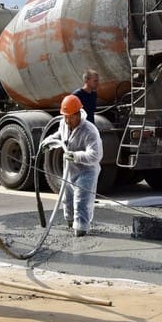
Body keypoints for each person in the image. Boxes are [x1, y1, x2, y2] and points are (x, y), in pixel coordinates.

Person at [44, 94, 102, 237]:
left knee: (81, 201)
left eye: (70, 117)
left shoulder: (89, 130)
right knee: (67, 201)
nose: (67, 120)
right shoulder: (64, 123)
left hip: (86, 172)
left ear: (78, 115)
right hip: (69, 171)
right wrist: (48, 142)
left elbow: (95, 155)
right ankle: (71, 223)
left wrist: (75, 156)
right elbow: (60, 136)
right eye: (65, 117)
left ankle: (81, 229)